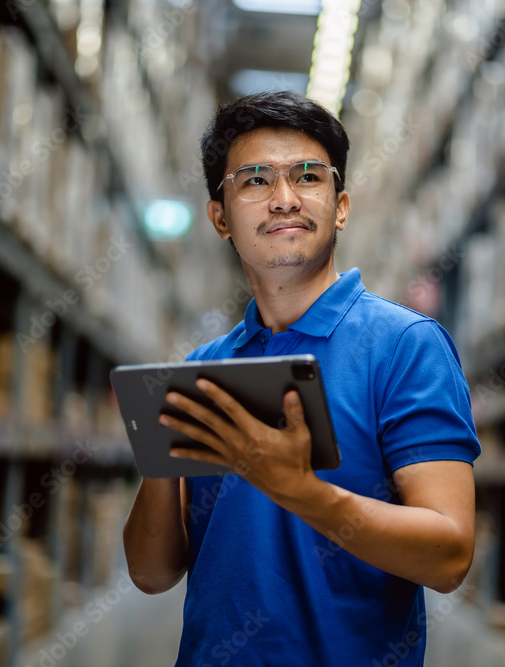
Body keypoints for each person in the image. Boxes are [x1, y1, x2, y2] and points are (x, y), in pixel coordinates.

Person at [123, 90, 480, 666]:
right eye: (255, 181)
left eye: (308, 177)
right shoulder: (201, 369)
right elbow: (151, 573)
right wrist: (160, 460)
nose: (284, 199)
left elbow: (449, 556)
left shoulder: (405, 347)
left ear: (340, 205)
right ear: (220, 217)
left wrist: (302, 492)